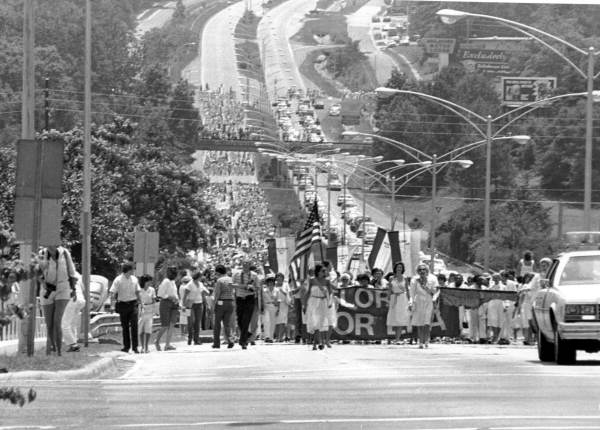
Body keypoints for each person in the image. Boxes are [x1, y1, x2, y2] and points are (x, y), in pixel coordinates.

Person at [39, 245, 78, 356]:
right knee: (49, 323)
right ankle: (50, 349)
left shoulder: (65, 253)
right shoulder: (42, 253)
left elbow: (72, 273)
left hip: (63, 288)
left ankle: (59, 351)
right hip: (47, 290)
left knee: (57, 321)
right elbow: (37, 273)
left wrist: (74, 289)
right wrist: (43, 284)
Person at [110, 262, 142, 353]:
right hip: (122, 304)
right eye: (132, 269)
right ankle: (126, 346)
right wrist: (112, 305)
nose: (133, 271)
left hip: (133, 304)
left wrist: (141, 303)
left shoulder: (134, 279)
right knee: (125, 326)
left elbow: (138, 291)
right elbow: (113, 293)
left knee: (134, 325)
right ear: (128, 270)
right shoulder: (118, 280)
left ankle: (135, 347)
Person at [409, 263, 439, 348]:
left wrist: (427, 288)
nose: (422, 271)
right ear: (418, 271)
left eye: (424, 269)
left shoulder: (433, 278)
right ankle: (420, 341)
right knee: (420, 322)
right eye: (420, 270)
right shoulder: (414, 279)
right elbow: (412, 293)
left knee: (427, 322)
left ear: (427, 270)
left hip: (429, 301)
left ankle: (426, 340)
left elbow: (436, 291)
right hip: (418, 302)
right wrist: (411, 302)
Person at [231, 260, 260, 349]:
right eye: (244, 264)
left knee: (246, 319)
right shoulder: (236, 274)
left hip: (249, 299)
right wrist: (242, 286)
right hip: (239, 299)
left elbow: (258, 287)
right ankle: (247, 334)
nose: (245, 266)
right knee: (239, 320)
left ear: (250, 265)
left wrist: (252, 288)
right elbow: (232, 284)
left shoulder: (254, 275)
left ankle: (243, 341)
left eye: (247, 264)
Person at [305, 264, 331, 350]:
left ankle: (319, 342)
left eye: (325, 271)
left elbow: (330, 293)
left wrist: (329, 302)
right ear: (318, 272)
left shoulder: (327, 281)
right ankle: (317, 343)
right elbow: (308, 292)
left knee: (321, 322)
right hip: (313, 302)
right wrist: (305, 304)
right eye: (323, 271)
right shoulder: (312, 280)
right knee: (315, 322)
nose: (324, 272)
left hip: (323, 303)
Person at [155, 266, 179, 351]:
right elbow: (160, 294)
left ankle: (167, 345)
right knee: (165, 325)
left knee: (172, 324)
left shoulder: (173, 282)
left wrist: (176, 300)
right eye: (172, 273)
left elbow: (175, 293)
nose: (174, 275)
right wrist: (170, 297)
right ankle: (157, 341)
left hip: (174, 305)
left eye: (175, 273)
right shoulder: (166, 281)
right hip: (166, 303)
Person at [386, 262, 410, 344]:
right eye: (397, 267)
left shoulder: (405, 278)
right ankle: (393, 338)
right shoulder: (391, 278)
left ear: (402, 269)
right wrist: (388, 299)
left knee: (401, 318)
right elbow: (389, 290)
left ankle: (397, 338)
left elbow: (407, 290)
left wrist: (409, 300)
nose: (399, 269)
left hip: (402, 299)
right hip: (394, 298)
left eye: (400, 267)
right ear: (395, 268)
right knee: (393, 318)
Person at [182, 271, 209, 345]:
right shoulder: (190, 284)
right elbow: (185, 296)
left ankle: (196, 340)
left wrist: (205, 302)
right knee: (191, 322)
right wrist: (183, 306)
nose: (202, 278)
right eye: (201, 276)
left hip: (199, 304)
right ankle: (190, 338)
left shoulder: (201, 284)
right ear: (198, 276)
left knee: (197, 322)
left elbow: (204, 293)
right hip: (191, 305)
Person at [212, 264, 235, 349]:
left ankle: (216, 343)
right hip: (230, 303)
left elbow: (217, 293)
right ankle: (230, 340)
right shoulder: (230, 279)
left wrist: (214, 304)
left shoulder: (219, 281)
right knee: (227, 324)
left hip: (221, 303)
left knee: (217, 324)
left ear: (218, 272)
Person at [61, 273, 86, 352]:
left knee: (64, 325)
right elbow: (83, 288)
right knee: (72, 324)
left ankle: (73, 345)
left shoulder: (64, 272)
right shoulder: (77, 273)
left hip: (72, 298)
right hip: (81, 299)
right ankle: (74, 342)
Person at [138, 274, 156, 353]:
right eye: (148, 281)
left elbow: (154, 299)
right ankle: (142, 346)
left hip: (149, 311)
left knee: (148, 329)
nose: (150, 283)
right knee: (141, 329)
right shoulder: (138, 290)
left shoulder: (152, 289)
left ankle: (146, 346)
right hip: (141, 311)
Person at [274, 272, 291, 342]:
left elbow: (288, 294)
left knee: (282, 321)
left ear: (283, 278)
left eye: (280, 277)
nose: (279, 278)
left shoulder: (286, 285)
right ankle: (277, 336)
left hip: (284, 304)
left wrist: (282, 291)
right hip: (275, 304)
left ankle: (280, 337)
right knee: (276, 321)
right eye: (277, 277)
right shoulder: (274, 285)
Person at [261, 274, 278, 343]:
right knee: (266, 321)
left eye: (272, 281)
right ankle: (266, 336)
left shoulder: (276, 290)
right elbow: (261, 300)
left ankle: (271, 337)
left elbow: (278, 300)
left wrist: (278, 308)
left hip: (274, 306)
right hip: (266, 306)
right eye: (269, 281)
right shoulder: (264, 290)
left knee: (273, 322)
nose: (270, 282)